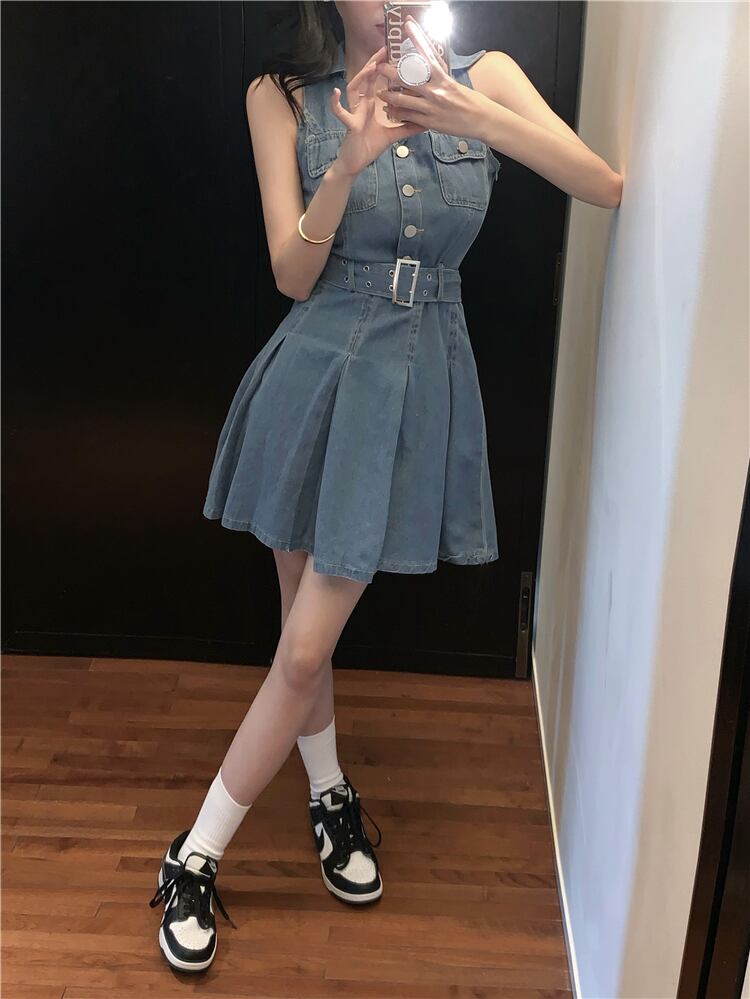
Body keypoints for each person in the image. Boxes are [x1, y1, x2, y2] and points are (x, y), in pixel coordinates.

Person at [147, 0, 623, 974]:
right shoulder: (281, 97)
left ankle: (222, 838)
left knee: (304, 646)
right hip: (311, 375)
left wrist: (467, 112)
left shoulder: (487, 76)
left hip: (414, 384)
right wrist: (348, 164)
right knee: (303, 645)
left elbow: (603, 184)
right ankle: (220, 845)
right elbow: (291, 273)